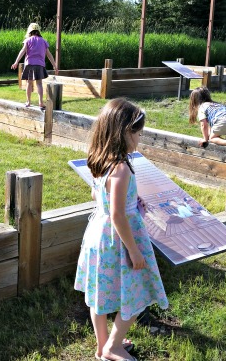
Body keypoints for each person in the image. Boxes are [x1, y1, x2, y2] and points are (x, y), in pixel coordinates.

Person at [74, 99, 169, 361]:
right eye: (137, 133)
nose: (139, 139)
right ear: (124, 132)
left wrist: (130, 200)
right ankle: (114, 347)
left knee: (99, 295)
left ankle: (102, 347)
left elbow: (99, 196)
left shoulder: (99, 160)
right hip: (119, 238)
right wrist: (134, 251)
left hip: (98, 234)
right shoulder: (121, 168)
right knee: (137, 292)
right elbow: (117, 214)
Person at [10, 23, 57, 110]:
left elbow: (22, 51)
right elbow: (49, 55)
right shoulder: (43, 41)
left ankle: (28, 101)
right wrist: (54, 65)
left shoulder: (28, 40)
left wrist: (16, 62)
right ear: (38, 31)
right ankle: (41, 102)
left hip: (29, 64)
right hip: (40, 65)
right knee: (39, 83)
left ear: (30, 31)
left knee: (29, 83)